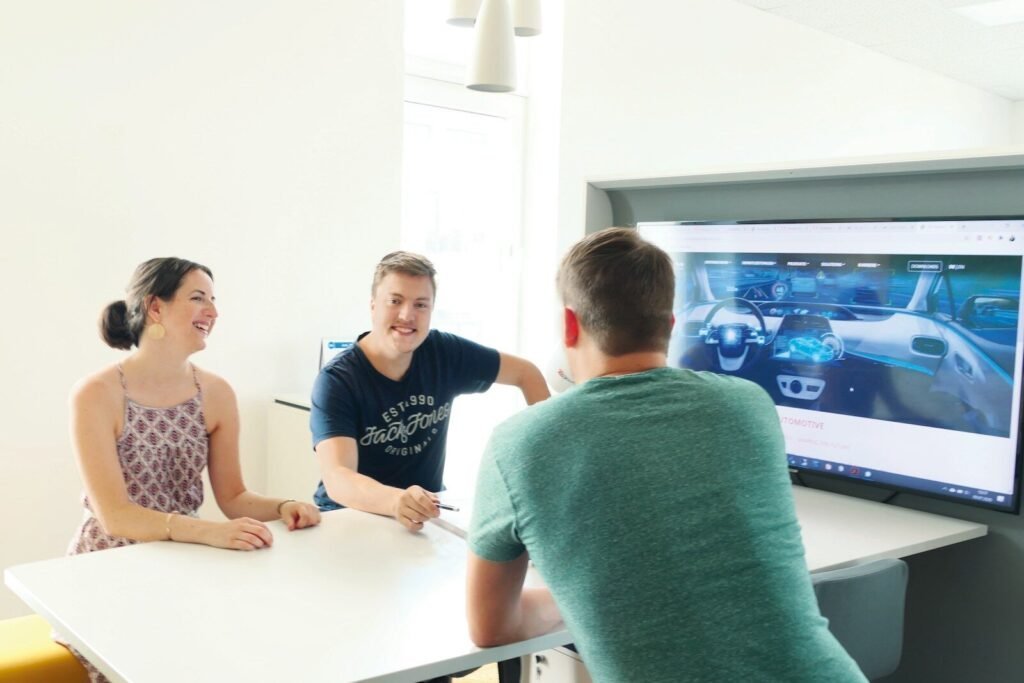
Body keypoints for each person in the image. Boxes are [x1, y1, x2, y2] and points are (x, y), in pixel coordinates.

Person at [465, 229, 866, 682]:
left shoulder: (520, 444)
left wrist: (580, 593)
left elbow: (491, 627)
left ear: (569, 326)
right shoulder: (750, 405)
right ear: (669, 326)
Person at [65, 257, 321, 683]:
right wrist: (208, 532)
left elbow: (234, 497)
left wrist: (287, 505)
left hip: (183, 562)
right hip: (106, 572)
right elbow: (116, 516)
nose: (214, 312)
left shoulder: (216, 393)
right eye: (198, 298)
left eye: (214, 300)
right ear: (155, 308)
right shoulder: (95, 394)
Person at [310, 251, 549, 532]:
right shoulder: (337, 380)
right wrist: (396, 499)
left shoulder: (443, 352)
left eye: (420, 305)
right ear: (373, 305)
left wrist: (548, 459)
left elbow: (526, 374)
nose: (407, 315)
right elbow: (338, 478)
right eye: (395, 301)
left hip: (423, 516)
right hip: (348, 518)